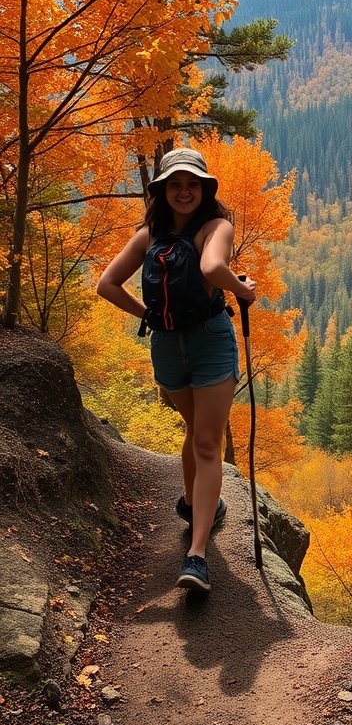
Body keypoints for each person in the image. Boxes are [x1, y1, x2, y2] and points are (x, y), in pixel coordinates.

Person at [96, 147, 257, 593]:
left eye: (192, 184)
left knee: (203, 440)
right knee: (200, 436)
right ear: (163, 190)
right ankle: (195, 506)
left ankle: (197, 551)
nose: (184, 191)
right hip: (201, 340)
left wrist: (146, 315)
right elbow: (212, 266)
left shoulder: (155, 234)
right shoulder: (208, 229)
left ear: (204, 188)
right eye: (176, 184)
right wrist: (243, 290)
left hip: (172, 344)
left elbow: (107, 286)